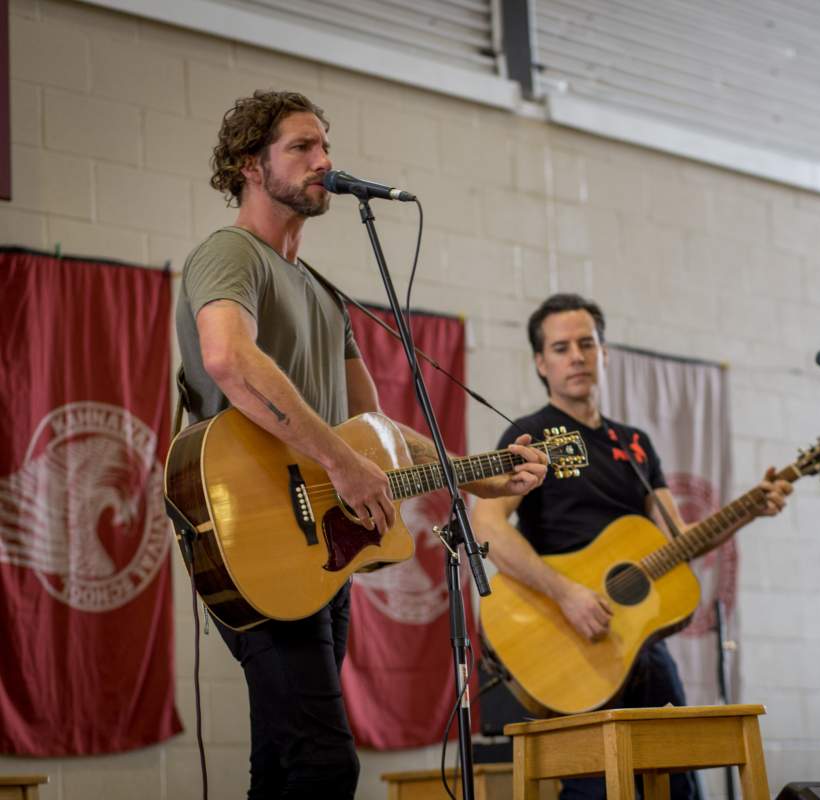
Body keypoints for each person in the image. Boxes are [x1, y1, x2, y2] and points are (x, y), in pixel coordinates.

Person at [175, 89, 549, 800]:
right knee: (325, 765)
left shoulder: (322, 292)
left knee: (284, 766)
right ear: (250, 165)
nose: (324, 161)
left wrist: (475, 475)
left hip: (317, 544)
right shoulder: (231, 253)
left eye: (325, 147)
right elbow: (229, 358)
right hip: (249, 527)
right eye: (301, 148)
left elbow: (373, 431)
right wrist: (341, 464)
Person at [472, 293, 793, 800]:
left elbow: (678, 542)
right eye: (560, 347)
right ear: (541, 362)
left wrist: (751, 507)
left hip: (638, 643)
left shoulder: (636, 444)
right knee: (594, 790)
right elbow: (486, 525)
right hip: (569, 638)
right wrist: (566, 594)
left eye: (586, 343)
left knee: (682, 779)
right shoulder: (529, 435)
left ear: (604, 353)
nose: (576, 356)